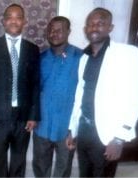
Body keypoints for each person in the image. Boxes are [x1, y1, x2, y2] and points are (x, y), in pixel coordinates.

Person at [66, 7, 138, 177]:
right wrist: (73, 128)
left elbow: (134, 99)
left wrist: (119, 138)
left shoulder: (127, 54)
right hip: (85, 130)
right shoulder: (84, 57)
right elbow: (80, 94)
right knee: (85, 174)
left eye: (100, 23)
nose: (94, 27)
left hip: (108, 134)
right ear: (85, 29)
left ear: (110, 27)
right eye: (90, 24)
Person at [0, 3, 40, 177]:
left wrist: (33, 115)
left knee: (19, 161)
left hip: (23, 117)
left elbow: (35, 84)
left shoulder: (32, 49)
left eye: (18, 17)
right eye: (10, 17)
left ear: (24, 22)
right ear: (3, 21)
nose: (14, 21)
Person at [32, 16, 83, 178]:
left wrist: (75, 127)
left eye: (59, 30)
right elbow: (34, 90)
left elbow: (85, 93)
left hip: (67, 126)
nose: (54, 33)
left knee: (64, 166)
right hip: (43, 124)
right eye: (51, 30)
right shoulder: (40, 58)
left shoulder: (81, 58)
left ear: (68, 32)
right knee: (40, 165)